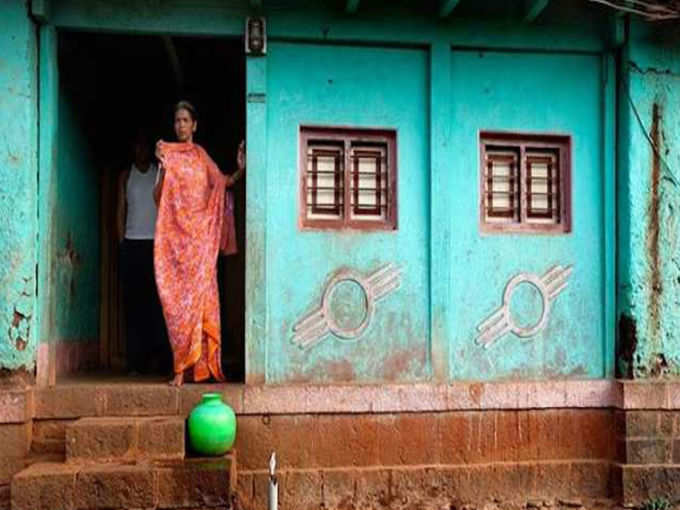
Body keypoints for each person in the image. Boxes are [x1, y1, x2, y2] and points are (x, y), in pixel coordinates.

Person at [153, 100, 245, 386]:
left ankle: (204, 368)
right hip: (176, 242)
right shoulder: (167, 155)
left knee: (202, 302)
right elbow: (158, 198)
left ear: (194, 125)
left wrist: (240, 169)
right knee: (178, 303)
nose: (180, 125)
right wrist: (164, 169)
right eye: (177, 120)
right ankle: (180, 367)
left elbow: (222, 183)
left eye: (185, 120)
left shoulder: (201, 156)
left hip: (201, 244)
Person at [117, 132, 170, 375]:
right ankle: (135, 363)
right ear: (132, 149)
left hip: (155, 245)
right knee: (134, 306)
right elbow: (120, 210)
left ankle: (159, 361)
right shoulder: (125, 176)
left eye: (144, 146)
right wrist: (122, 243)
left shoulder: (157, 174)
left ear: (149, 150)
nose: (140, 151)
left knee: (156, 306)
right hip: (132, 245)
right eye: (136, 146)